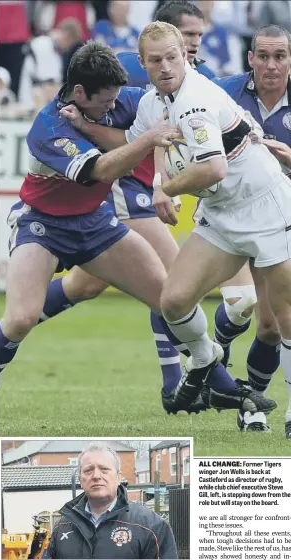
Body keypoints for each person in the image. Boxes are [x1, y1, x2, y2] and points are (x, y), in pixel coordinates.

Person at [113, 20, 291, 419]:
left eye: (172, 57)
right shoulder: (151, 102)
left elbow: (212, 169)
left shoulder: (194, 98)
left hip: (267, 205)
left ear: (185, 56)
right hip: (222, 213)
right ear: (143, 63)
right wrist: (81, 129)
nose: (165, 67)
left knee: (281, 319)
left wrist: (165, 188)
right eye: (155, 60)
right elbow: (146, 142)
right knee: (173, 301)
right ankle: (206, 358)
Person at [0, 41, 182, 391]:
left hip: (96, 213)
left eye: (194, 40)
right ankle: (188, 379)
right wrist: (149, 148)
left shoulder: (173, 82)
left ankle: (205, 380)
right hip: (51, 217)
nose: (192, 46)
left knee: (160, 293)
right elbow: (99, 168)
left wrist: (161, 180)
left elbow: (163, 119)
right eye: (187, 36)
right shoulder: (54, 121)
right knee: (21, 317)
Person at [211, 25, 291, 435]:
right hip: (227, 216)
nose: (271, 65)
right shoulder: (222, 92)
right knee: (241, 304)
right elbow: (173, 116)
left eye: (280, 56)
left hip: (279, 222)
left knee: (271, 324)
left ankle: (251, 405)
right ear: (250, 58)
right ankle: (217, 343)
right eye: (263, 56)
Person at [46, 443, 178, 559]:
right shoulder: (62, 527)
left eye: (104, 469)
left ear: (119, 477)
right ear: (80, 480)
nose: (96, 476)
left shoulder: (151, 526)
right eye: (88, 470)